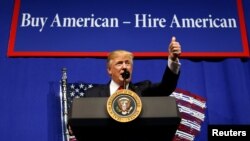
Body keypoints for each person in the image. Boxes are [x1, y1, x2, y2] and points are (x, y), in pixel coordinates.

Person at [85, 36, 181, 97]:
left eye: (127, 63)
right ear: (109, 70)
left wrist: (173, 60)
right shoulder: (93, 94)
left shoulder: (144, 90)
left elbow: (166, 87)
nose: (124, 67)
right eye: (119, 63)